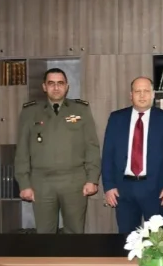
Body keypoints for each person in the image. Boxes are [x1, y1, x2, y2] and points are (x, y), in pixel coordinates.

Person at [14, 68, 100, 234]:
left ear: (67, 86)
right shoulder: (30, 111)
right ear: (44, 87)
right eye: (51, 83)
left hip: (74, 181)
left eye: (60, 83)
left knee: (75, 232)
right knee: (45, 233)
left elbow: (91, 146)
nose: (56, 87)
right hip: (41, 182)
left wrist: (92, 179)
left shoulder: (80, 110)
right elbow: (22, 151)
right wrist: (24, 184)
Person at [101, 76, 163, 234]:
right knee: (127, 238)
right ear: (131, 95)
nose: (142, 95)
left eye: (146, 91)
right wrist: (108, 186)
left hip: (156, 190)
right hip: (124, 190)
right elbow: (108, 154)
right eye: (137, 91)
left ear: (153, 94)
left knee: (157, 239)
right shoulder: (116, 119)